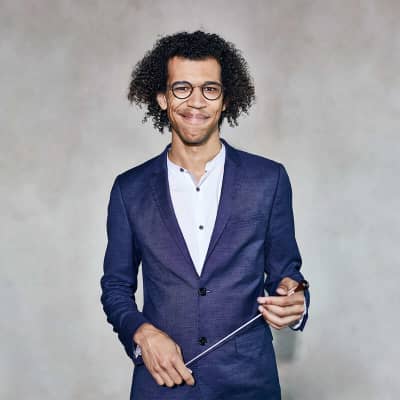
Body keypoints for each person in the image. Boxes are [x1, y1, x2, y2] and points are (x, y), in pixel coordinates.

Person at [100, 30, 310, 400]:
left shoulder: (269, 179)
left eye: (209, 89)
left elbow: (286, 276)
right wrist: (141, 333)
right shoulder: (128, 189)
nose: (196, 102)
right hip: (162, 384)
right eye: (182, 88)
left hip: (249, 384)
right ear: (162, 98)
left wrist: (294, 300)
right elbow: (116, 287)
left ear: (226, 99)